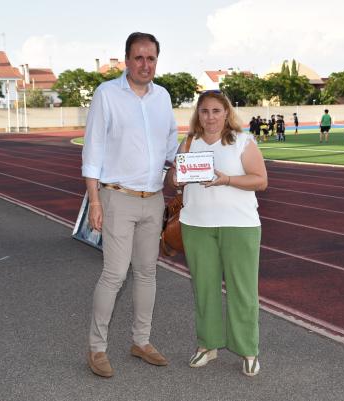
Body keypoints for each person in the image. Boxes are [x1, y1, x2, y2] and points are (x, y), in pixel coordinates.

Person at [81, 32, 178, 378]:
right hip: (117, 196)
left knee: (147, 273)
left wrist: (194, 166)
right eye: (139, 58)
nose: (145, 64)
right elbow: (92, 151)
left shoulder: (162, 97)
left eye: (151, 58)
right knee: (114, 274)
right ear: (126, 60)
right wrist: (95, 201)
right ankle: (97, 348)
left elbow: (171, 147)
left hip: (152, 199)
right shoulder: (107, 94)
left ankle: (141, 340)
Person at [171, 91, 267, 377]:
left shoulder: (243, 141)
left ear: (226, 112)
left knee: (243, 289)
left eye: (216, 111)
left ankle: (248, 350)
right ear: (197, 114)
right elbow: (174, 179)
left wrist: (225, 179)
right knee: (204, 287)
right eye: (204, 111)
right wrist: (175, 178)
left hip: (239, 225)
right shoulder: (189, 141)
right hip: (196, 225)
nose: (210, 117)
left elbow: (260, 180)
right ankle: (207, 345)